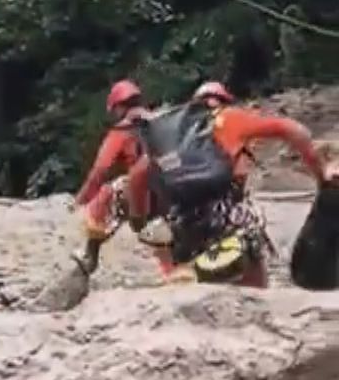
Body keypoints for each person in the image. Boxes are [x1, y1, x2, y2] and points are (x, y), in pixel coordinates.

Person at [124, 81, 328, 287]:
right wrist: (321, 177)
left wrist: (137, 220)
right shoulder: (230, 117)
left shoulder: (173, 135)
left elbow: (136, 178)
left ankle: (181, 275)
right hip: (226, 218)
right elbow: (294, 130)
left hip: (183, 224)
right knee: (254, 282)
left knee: (178, 261)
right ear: (225, 101)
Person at [72, 79, 154, 273]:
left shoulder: (122, 131)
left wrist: (81, 198)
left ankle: (90, 255)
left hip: (142, 191)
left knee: (108, 193)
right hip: (168, 185)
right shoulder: (158, 121)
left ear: (119, 106)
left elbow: (100, 169)